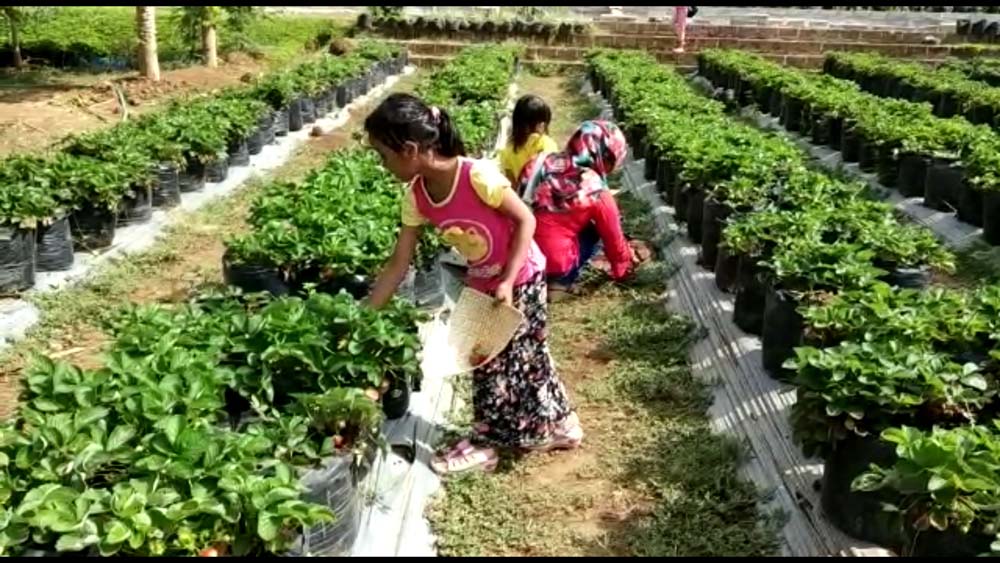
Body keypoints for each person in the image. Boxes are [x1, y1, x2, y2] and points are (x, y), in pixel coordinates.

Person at [363, 93, 583, 475]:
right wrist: (363, 317)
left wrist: (509, 279)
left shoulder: (476, 176)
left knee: (491, 364)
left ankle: (487, 444)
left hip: (522, 276)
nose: (382, 165)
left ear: (411, 149)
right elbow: (399, 264)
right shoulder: (415, 196)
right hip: (484, 280)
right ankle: (562, 424)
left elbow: (525, 221)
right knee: (522, 357)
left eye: (383, 154)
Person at [516, 119, 645, 301]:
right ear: (601, 154)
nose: (610, 168)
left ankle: (526, 276)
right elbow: (614, 241)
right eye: (611, 160)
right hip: (551, 264)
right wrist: (623, 272)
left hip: (518, 253)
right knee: (594, 231)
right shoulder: (595, 189)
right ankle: (559, 283)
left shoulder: (537, 162)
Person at [498, 94, 559, 186]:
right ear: (541, 125)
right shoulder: (546, 145)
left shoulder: (508, 150)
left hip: (522, 197)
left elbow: (511, 183)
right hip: (544, 196)